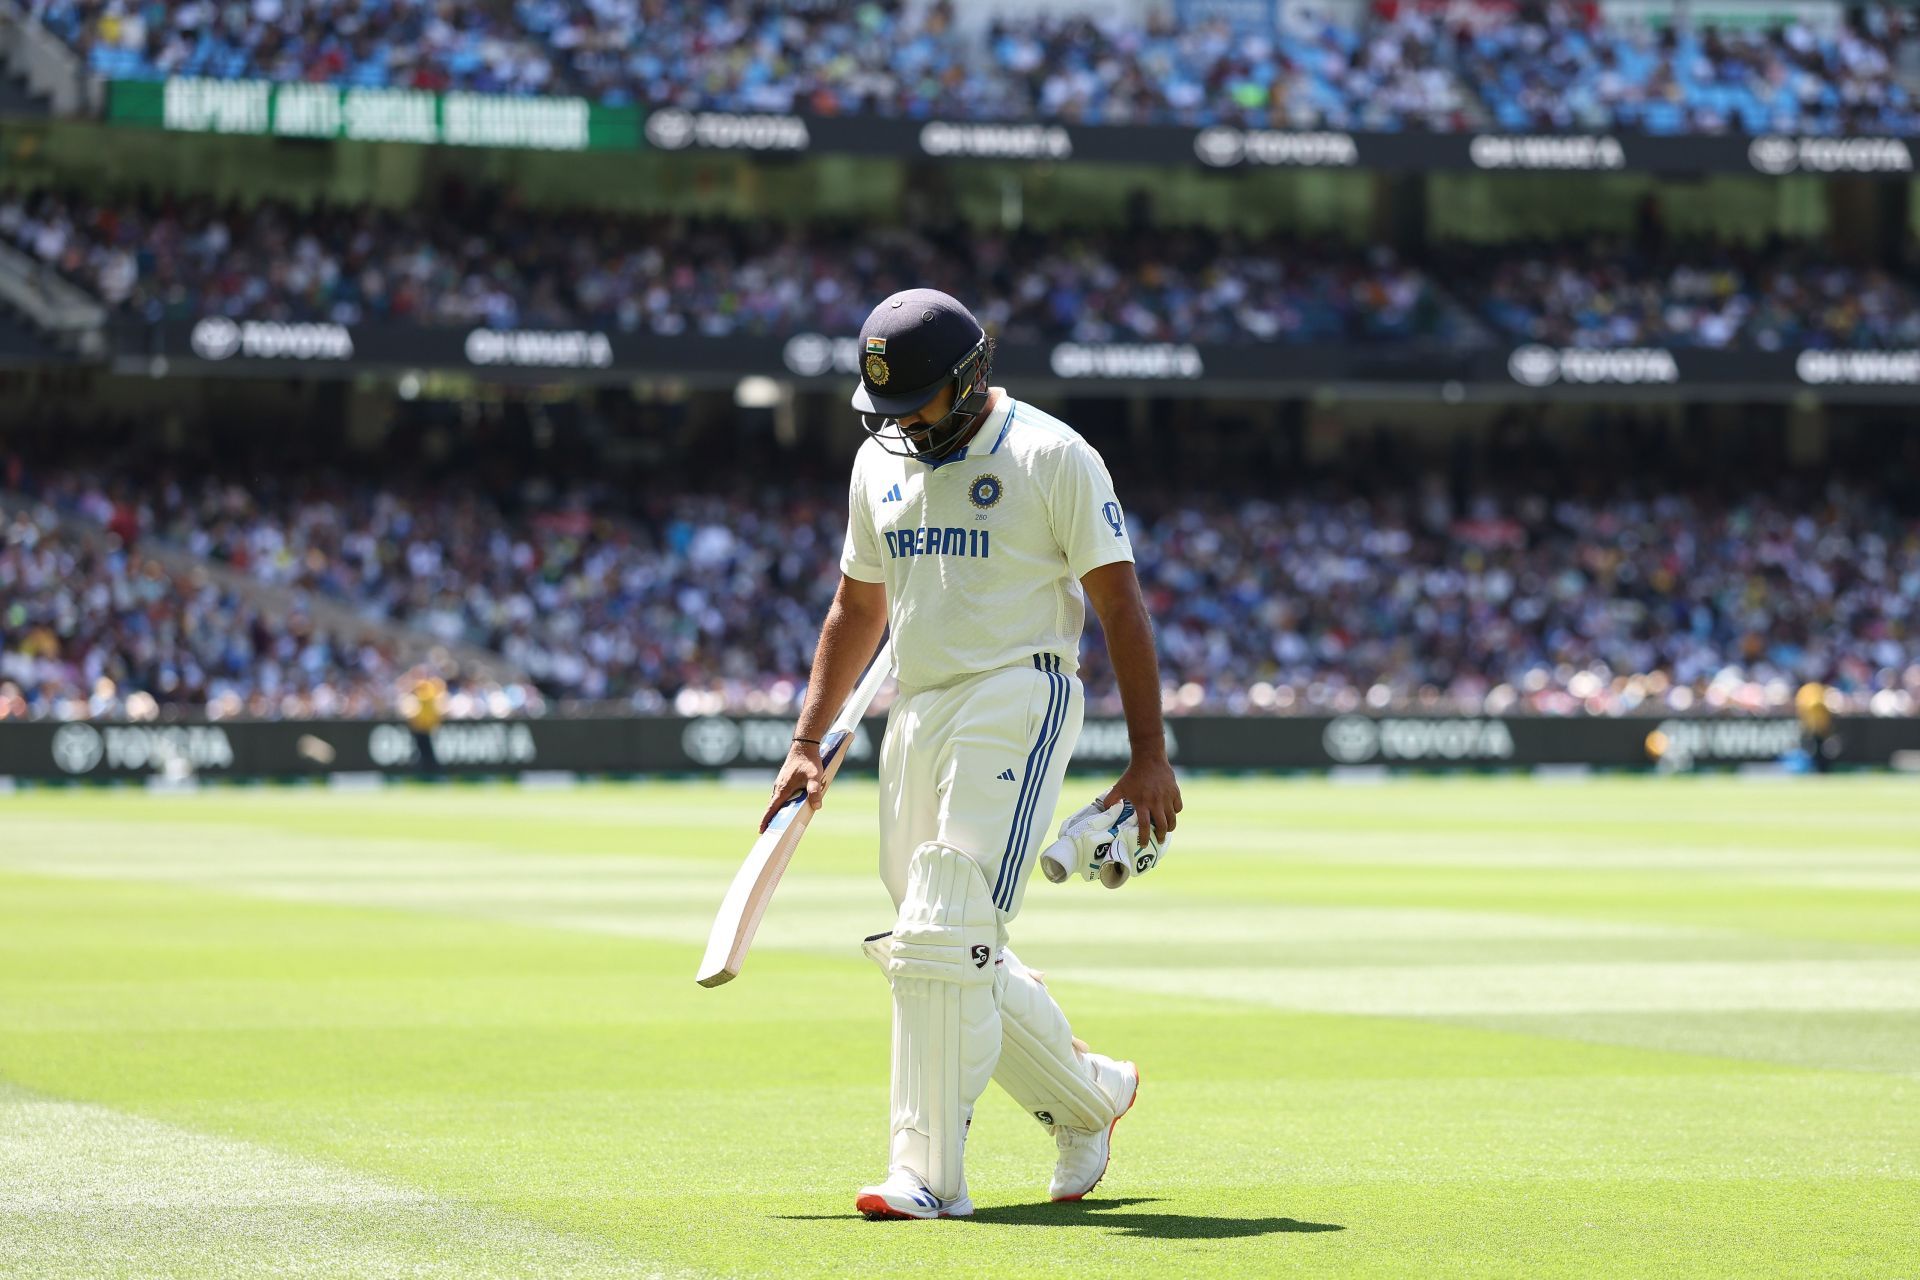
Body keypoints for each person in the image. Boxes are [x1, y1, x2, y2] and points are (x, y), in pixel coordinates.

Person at [759, 289, 1182, 1219]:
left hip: (1020, 689)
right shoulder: (881, 461)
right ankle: (1090, 1097)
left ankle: (927, 1175)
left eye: (919, 402)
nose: (903, 423)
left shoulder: (1052, 454)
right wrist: (807, 742)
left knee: (946, 919)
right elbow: (855, 608)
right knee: (945, 939)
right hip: (918, 706)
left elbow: (1119, 606)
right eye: (888, 408)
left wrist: (1149, 754)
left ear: (971, 375)